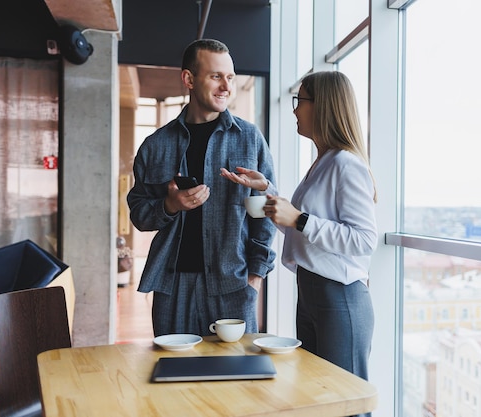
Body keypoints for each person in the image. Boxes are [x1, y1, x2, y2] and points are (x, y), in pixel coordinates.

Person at [221, 71, 378, 412]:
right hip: (312, 294)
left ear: (323, 107)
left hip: (340, 297)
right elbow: (302, 230)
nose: (294, 110)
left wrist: (299, 218)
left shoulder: (346, 165)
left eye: (300, 101)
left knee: (345, 403)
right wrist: (269, 193)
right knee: (320, 398)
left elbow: (365, 240)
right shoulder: (322, 163)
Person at [127, 39, 277, 338]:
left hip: (233, 285)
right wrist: (170, 206)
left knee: (237, 378)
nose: (226, 86)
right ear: (189, 79)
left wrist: (255, 279)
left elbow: (267, 212)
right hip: (172, 287)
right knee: (174, 376)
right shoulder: (155, 145)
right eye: (216, 76)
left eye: (230, 77)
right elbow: (139, 215)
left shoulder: (249, 138)